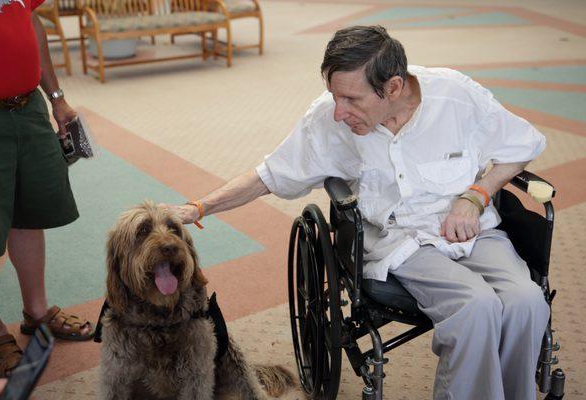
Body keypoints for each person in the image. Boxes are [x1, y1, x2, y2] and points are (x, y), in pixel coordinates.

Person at [163, 26, 549, 400]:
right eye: (334, 96)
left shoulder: (456, 96)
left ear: (393, 88)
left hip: (474, 230)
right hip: (404, 243)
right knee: (476, 308)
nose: (338, 112)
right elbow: (269, 174)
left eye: (351, 99)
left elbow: (523, 143)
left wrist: (477, 195)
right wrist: (198, 207)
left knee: (527, 301)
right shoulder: (327, 121)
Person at [0, 0, 94, 379]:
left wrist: (56, 98)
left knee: (30, 213)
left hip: (27, 107)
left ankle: (37, 310)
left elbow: (32, 24)